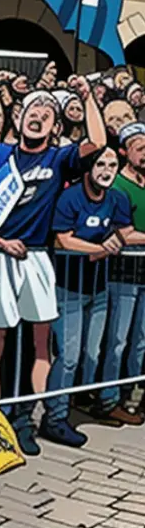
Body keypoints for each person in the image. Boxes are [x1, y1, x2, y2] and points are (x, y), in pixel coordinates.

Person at [0, 79, 105, 454]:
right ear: (19, 117)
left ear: (55, 127)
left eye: (47, 115)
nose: (38, 118)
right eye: (32, 112)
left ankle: (26, 417)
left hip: (38, 256)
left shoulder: (58, 158)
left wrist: (88, 97)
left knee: (39, 343)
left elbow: (99, 142)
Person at [45, 144, 134, 447]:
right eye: (101, 165)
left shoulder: (117, 199)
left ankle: (82, 402)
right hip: (68, 288)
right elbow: (62, 240)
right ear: (88, 168)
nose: (107, 171)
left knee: (91, 354)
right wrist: (99, 249)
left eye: (112, 165)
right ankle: (55, 417)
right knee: (67, 358)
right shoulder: (70, 198)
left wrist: (114, 241)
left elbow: (124, 230)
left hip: (97, 289)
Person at [96, 122, 145, 424]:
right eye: (140, 149)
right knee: (117, 339)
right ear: (125, 151)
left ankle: (133, 395)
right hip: (123, 272)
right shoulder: (117, 186)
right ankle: (107, 397)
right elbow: (123, 233)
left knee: (141, 339)